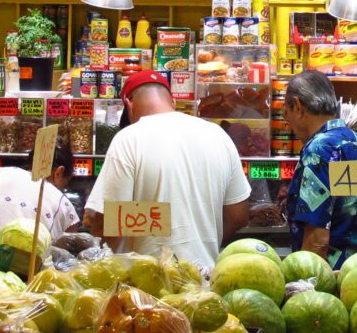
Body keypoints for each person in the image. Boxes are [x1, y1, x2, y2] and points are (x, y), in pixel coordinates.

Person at [82, 71, 250, 268]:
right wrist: (201, 242)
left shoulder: (129, 138)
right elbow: (238, 215)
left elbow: (109, 223)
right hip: (204, 280)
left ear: (128, 104)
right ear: (173, 101)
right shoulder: (218, 135)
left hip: (144, 289)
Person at [283, 70, 357, 269]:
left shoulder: (318, 150)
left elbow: (317, 240)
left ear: (299, 107)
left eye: (286, 113)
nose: (288, 124)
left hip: (331, 281)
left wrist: (306, 287)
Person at [0, 127, 80, 239]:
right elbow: (68, 246)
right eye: (66, 182)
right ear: (59, 172)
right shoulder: (63, 204)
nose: (63, 189)